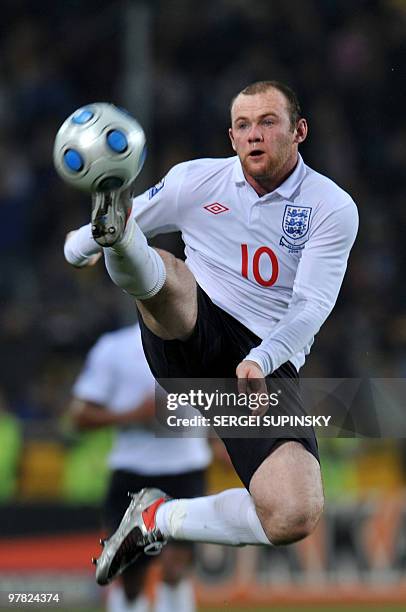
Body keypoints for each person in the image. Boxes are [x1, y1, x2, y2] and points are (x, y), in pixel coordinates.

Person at [64, 80, 359, 586]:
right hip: (194, 324)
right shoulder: (196, 181)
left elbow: (312, 305)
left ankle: (157, 519)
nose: (254, 135)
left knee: (294, 514)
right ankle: (122, 237)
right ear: (231, 135)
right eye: (243, 125)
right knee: (165, 273)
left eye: (268, 122)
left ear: (299, 131)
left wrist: (261, 361)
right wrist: (97, 239)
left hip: (264, 362)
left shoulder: (331, 207)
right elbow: (75, 246)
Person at [68, 323, 211, 611]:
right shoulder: (114, 348)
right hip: (133, 472)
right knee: (130, 578)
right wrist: (134, 415)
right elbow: (79, 416)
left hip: (186, 469)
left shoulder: (204, 338)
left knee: (175, 568)